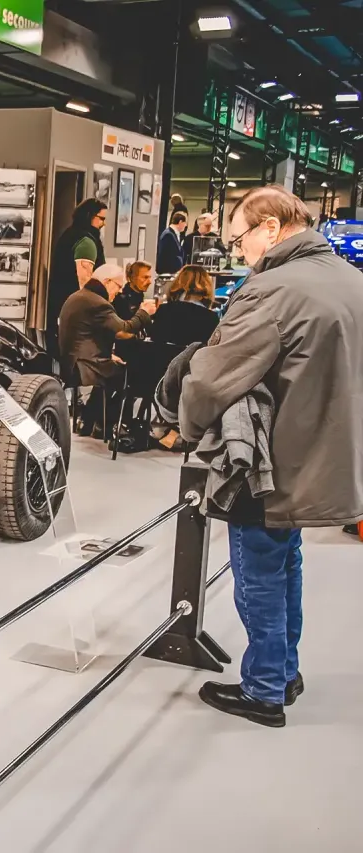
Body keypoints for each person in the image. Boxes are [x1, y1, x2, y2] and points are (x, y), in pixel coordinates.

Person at [177, 185, 363, 727]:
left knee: (258, 569)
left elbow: (211, 379)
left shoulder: (269, 292)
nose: (239, 253)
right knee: (287, 563)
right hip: (327, 455)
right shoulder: (351, 280)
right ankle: (284, 671)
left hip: (269, 461)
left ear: (271, 228)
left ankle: (263, 691)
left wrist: (185, 424)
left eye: (240, 240)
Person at [58, 262, 157, 434]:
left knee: (117, 371)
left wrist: (108, 354)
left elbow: (84, 337)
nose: (119, 291)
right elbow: (123, 331)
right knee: (133, 376)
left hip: (73, 362)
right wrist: (144, 313)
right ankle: (111, 424)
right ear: (107, 281)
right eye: (118, 286)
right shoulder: (97, 302)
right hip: (84, 366)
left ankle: (94, 421)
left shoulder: (80, 297)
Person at [46, 198, 108, 348]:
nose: (104, 224)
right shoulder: (86, 242)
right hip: (76, 308)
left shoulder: (70, 234)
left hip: (61, 304)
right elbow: (85, 282)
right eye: (101, 219)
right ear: (90, 216)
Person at [150, 265, 219, 346]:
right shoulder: (211, 318)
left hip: (165, 354)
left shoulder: (164, 310)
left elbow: (154, 342)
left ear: (178, 283)